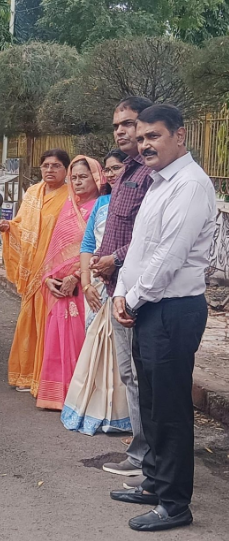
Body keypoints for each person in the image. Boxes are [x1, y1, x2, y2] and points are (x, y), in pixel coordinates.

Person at [110, 105, 216, 532]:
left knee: (170, 409)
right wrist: (122, 292)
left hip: (172, 309)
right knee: (151, 402)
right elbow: (139, 247)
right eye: (141, 138)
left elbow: (169, 256)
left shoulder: (190, 186)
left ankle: (175, 504)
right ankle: (154, 481)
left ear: (180, 136)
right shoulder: (158, 183)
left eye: (154, 136)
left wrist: (132, 299)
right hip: (147, 306)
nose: (145, 144)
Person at [90, 97, 154, 478]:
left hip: (140, 289)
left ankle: (146, 455)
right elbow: (115, 224)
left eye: (128, 124)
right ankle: (142, 450)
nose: (121, 132)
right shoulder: (127, 171)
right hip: (117, 286)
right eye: (117, 126)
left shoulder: (150, 173)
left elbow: (151, 236)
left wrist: (115, 258)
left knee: (139, 375)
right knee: (130, 374)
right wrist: (102, 259)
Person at [62, 149, 132, 435]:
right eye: (109, 169)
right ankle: (93, 410)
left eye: (117, 168)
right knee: (96, 348)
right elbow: (88, 244)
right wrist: (88, 284)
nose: (113, 174)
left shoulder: (140, 203)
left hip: (125, 282)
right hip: (98, 286)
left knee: (120, 354)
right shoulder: (102, 203)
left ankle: (124, 414)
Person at [0, 149, 70, 395]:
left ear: (66, 170)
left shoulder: (71, 196)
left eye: (56, 165)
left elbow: (72, 234)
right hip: (32, 270)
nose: (50, 170)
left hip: (54, 270)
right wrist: (8, 227)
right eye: (46, 165)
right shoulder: (31, 194)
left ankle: (45, 379)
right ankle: (25, 375)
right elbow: (21, 226)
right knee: (29, 321)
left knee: (51, 324)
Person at [35, 156, 103, 410]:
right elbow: (54, 249)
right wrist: (48, 278)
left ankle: (77, 397)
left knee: (79, 341)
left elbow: (99, 247)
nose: (77, 181)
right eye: (74, 177)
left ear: (97, 178)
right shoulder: (68, 206)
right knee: (56, 339)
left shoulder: (101, 207)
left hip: (84, 285)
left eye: (83, 176)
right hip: (58, 287)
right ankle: (55, 396)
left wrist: (76, 276)